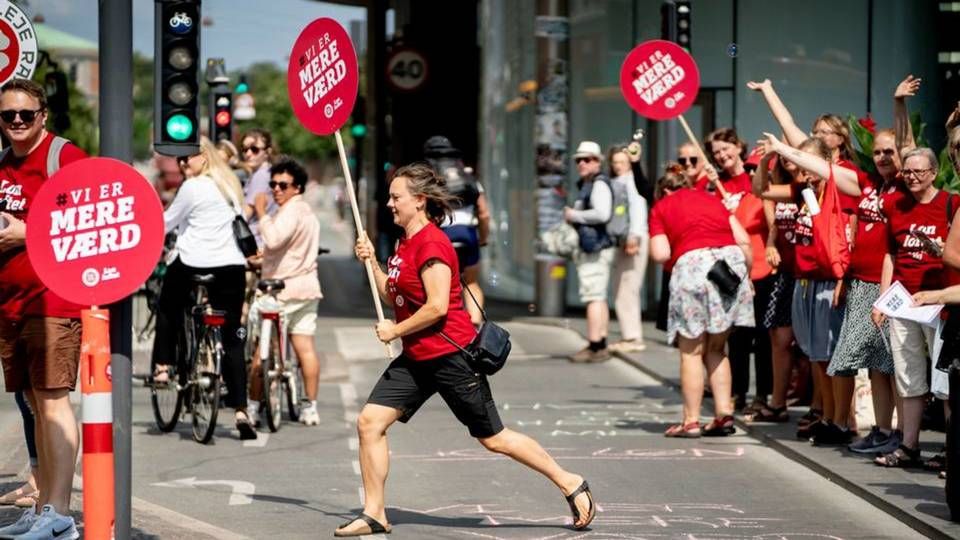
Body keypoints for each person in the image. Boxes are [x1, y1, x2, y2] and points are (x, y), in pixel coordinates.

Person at [338, 163, 595, 537]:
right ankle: (375, 512)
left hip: (450, 355)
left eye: (396, 197)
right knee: (369, 423)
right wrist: (371, 263)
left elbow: (437, 306)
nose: (390, 204)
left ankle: (570, 481)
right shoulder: (404, 242)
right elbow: (390, 293)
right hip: (417, 359)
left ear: (419, 200)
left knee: (493, 438)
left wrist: (395, 330)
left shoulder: (432, 244)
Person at [0, 78, 87, 539]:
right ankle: (44, 508)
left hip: (53, 300)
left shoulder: (64, 158)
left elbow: (88, 220)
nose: (16, 122)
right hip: (11, 304)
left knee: (54, 403)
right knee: (35, 404)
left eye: (25, 115)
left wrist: (25, 232)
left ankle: (60, 514)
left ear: (43, 116)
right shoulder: (3, 164)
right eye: (8, 115)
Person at [754, 134, 863, 443]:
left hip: (831, 279)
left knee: (833, 356)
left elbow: (848, 237)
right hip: (805, 280)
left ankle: (842, 421)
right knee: (816, 355)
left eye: (806, 166)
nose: (801, 174)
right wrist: (766, 159)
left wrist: (843, 279)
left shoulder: (839, 190)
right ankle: (827, 417)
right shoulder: (804, 191)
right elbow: (761, 190)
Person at [152, 137, 256, 440]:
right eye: (180, 160)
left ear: (204, 158)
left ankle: (163, 366)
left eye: (188, 159)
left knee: (168, 307)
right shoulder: (230, 187)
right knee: (233, 337)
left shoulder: (193, 187)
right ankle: (240, 410)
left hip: (192, 263)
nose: (183, 164)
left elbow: (166, 223)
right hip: (231, 267)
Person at [649, 166, 754, 437]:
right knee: (718, 348)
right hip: (728, 267)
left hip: (692, 267)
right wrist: (748, 278)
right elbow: (744, 240)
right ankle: (723, 414)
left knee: (691, 350)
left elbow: (661, 253)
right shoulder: (712, 198)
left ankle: (691, 420)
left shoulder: (661, 207)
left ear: (664, 191)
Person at [872, 147, 959, 467]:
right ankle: (909, 445)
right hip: (905, 301)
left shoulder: (951, 203)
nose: (912, 177)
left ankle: (952, 452)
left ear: (934, 172)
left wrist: (940, 249)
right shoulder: (895, 206)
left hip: (941, 302)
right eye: (907, 172)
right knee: (908, 375)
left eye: (919, 172)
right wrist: (882, 300)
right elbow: (890, 255)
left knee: (946, 380)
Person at [832, 129, 902, 453]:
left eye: (890, 151)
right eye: (877, 152)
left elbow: (908, 142)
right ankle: (882, 428)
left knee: (893, 362)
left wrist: (899, 103)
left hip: (891, 285)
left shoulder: (904, 185)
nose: (883, 157)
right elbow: (823, 167)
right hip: (862, 282)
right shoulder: (870, 184)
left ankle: (900, 434)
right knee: (874, 363)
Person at [246, 157, 323, 427]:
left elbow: (275, 237)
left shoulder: (290, 211)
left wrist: (261, 211)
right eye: (273, 184)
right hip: (307, 288)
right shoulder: (308, 214)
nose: (276, 189)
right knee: (305, 349)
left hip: (280, 291)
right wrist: (265, 258)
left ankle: (253, 408)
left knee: (261, 353)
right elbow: (286, 247)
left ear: (297, 187)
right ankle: (310, 407)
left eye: (283, 185)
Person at [423, 136, 491, 326]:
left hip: (442, 236)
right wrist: (483, 239)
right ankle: (475, 325)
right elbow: (484, 214)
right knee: (471, 283)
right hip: (468, 234)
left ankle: (443, 324)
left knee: (439, 285)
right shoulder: (469, 178)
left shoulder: (428, 180)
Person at [564, 141, 615, 362]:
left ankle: (595, 345)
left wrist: (574, 216)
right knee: (598, 296)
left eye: (588, 159)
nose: (582, 163)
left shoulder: (598, 184)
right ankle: (600, 342)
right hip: (596, 247)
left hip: (595, 247)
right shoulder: (590, 183)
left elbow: (603, 214)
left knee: (593, 296)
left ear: (598, 161)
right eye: (579, 160)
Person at [606, 144, 649, 352]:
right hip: (623, 239)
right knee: (622, 287)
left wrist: (634, 236)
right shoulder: (617, 181)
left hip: (633, 238)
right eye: (615, 162)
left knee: (627, 288)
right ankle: (629, 334)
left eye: (622, 162)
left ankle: (632, 337)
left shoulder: (631, 182)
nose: (618, 166)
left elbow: (638, 208)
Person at [240, 128, 276, 247]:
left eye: (254, 149)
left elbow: (246, 213)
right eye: (245, 150)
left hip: (256, 241)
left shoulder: (261, 175)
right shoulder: (267, 172)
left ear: (267, 152)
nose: (248, 154)